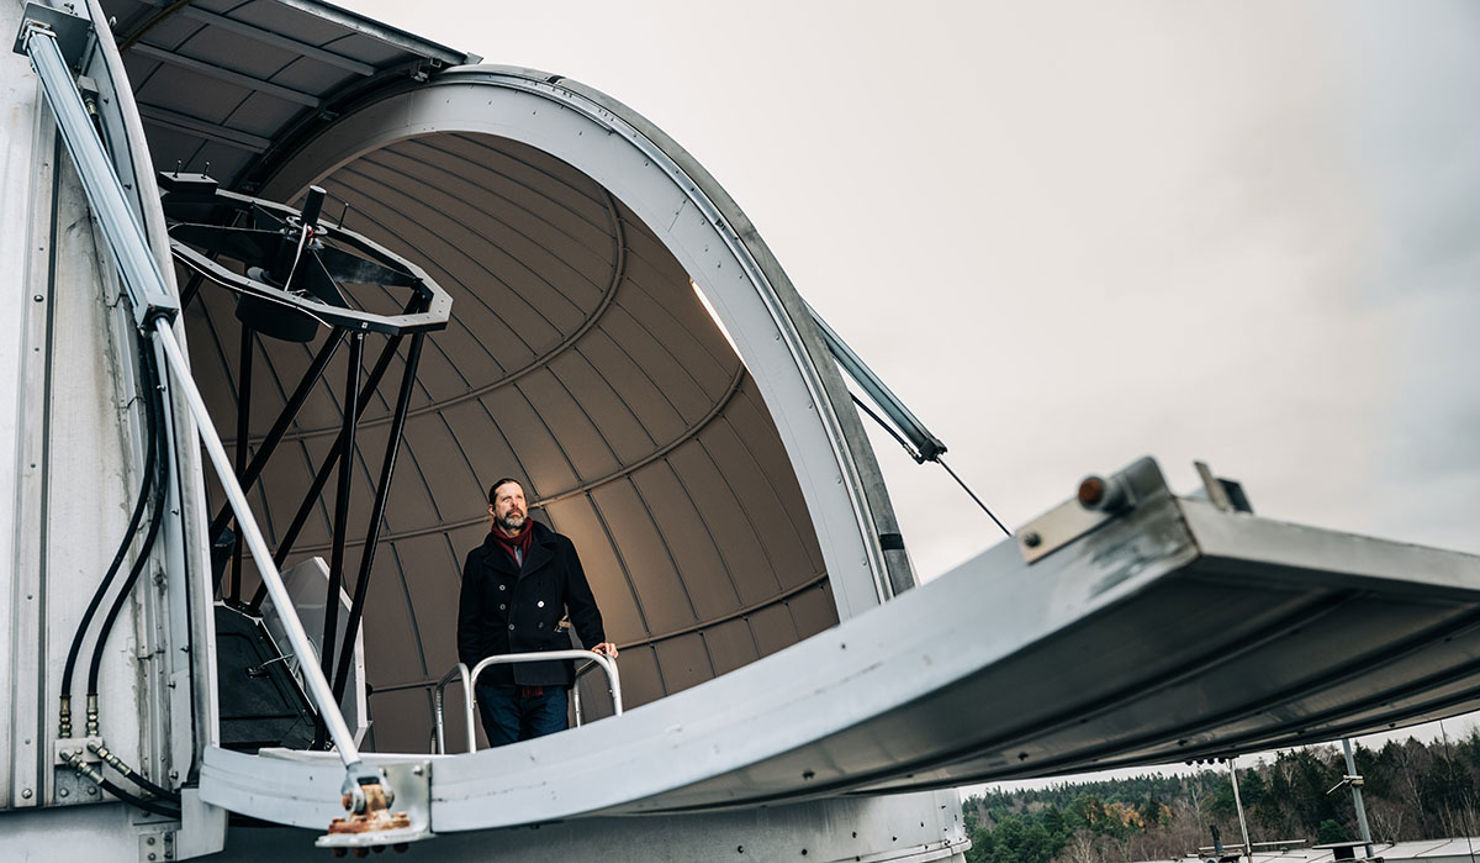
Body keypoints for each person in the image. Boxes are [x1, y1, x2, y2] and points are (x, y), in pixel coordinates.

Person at [456, 477, 617, 746]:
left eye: (519, 498)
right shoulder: (478, 560)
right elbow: (469, 624)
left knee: (551, 755)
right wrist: (476, 675)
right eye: (506, 499)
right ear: (492, 510)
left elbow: (581, 602)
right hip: (499, 680)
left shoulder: (558, 548)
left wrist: (595, 641)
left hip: (548, 673)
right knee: (509, 760)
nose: (514, 504)